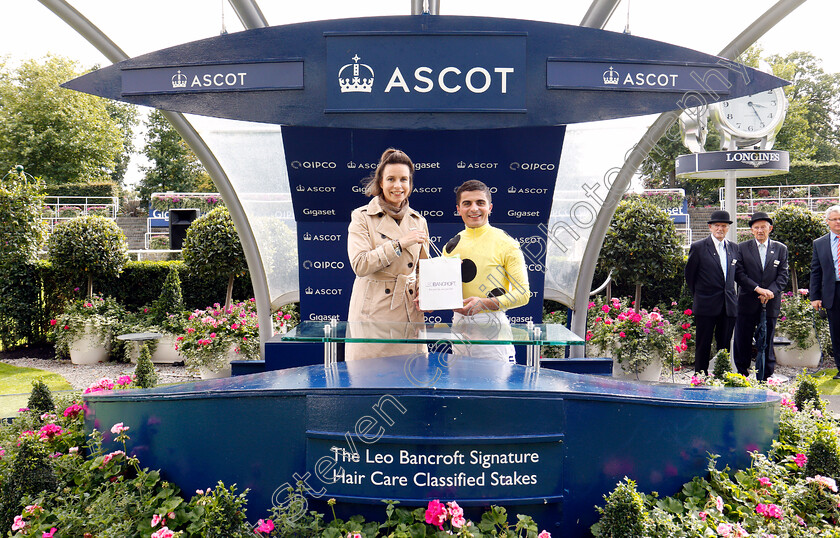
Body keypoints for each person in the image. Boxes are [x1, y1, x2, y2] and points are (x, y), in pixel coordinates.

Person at [345, 148, 429, 361]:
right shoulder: (362, 217)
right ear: (380, 183)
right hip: (373, 313)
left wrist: (424, 292)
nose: (398, 186)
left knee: (411, 380)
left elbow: (423, 269)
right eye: (391, 179)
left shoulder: (419, 221)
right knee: (372, 380)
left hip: (410, 312)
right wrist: (400, 243)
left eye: (404, 179)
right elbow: (360, 264)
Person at [442, 180, 530, 361]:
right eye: (467, 203)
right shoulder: (449, 247)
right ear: (458, 209)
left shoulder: (507, 243)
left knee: (495, 388)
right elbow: (441, 291)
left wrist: (483, 304)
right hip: (459, 327)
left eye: (480, 203)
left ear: (490, 207)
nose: (474, 208)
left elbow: (523, 294)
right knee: (459, 387)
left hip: (493, 329)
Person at [684, 210, 745, 374]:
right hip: (706, 305)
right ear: (710, 227)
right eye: (717, 225)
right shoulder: (698, 247)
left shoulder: (734, 248)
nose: (720, 228)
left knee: (724, 346)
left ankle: (721, 376)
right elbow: (690, 276)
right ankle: (699, 378)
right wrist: (701, 296)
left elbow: (738, 275)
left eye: (724, 226)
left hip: (728, 306)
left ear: (728, 229)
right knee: (703, 344)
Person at [732, 211, 789, 381]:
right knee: (742, 339)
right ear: (751, 230)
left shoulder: (780, 248)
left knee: (767, 338)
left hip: (770, 303)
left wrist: (770, 292)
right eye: (756, 227)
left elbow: (783, 275)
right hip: (747, 302)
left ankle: (765, 375)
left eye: (763, 227)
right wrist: (758, 289)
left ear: (770, 228)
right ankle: (741, 374)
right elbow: (739, 274)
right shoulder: (742, 248)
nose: (759, 231)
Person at [810, 205, 840, 379]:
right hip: (832, 292)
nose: (838, 222)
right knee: (836, 332)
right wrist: (815, 297)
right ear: (827, 222)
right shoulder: (819, 243)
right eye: (834, 219)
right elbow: (816, 271)